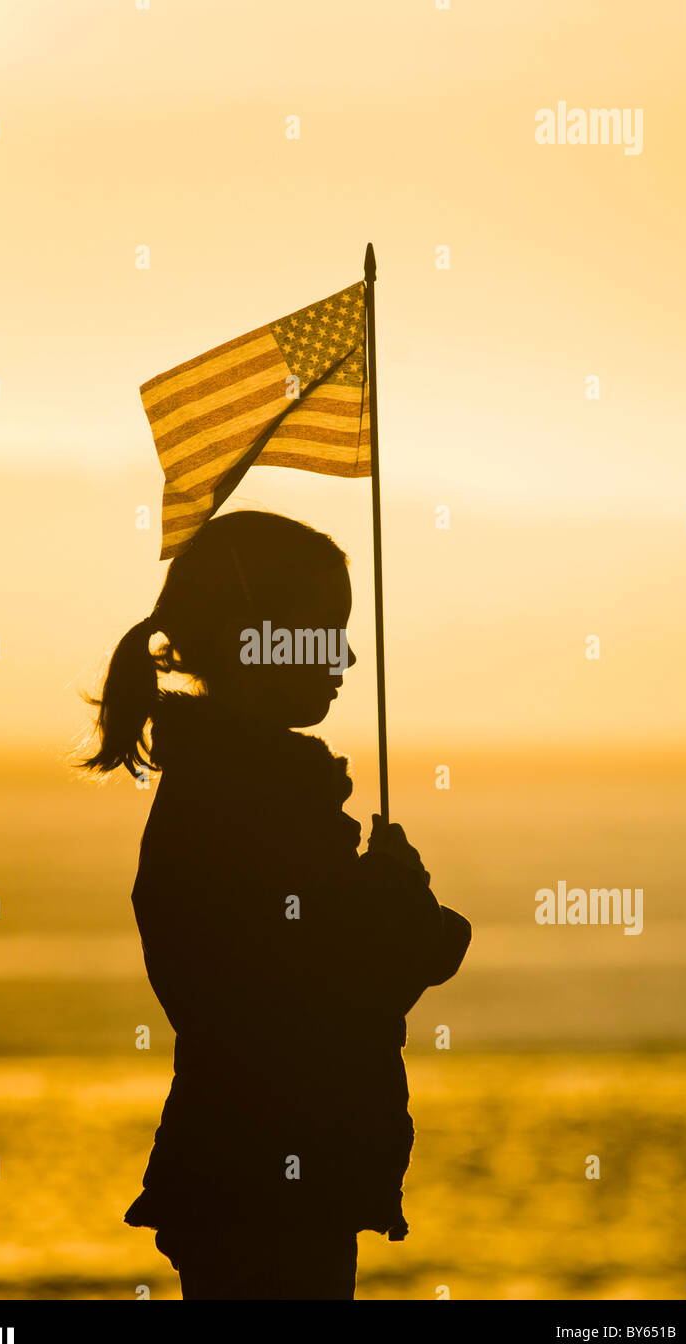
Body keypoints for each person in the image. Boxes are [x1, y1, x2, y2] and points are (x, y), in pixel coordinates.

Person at [82, 509, 471, 1299]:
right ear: (257, 641)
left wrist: (398, 911)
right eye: (327, 629)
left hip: (247, 1174)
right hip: (267, 1185)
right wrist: (406, 900)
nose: (349, 655)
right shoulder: (256, 799)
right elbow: (352, 974)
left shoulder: (236, 785)